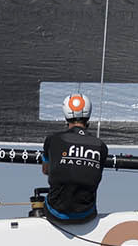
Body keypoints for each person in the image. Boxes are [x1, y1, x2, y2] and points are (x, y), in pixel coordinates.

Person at [41, 93, 107, 223]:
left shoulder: (52, 140)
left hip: (56, 213)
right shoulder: (101, 146)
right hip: (86, 214)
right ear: (89, 114)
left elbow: (46, 170)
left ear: (66, 114)